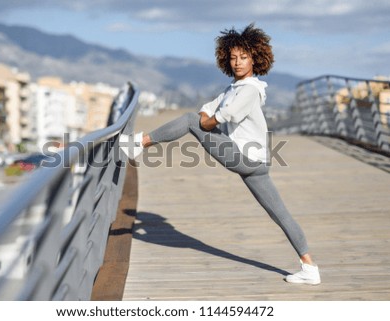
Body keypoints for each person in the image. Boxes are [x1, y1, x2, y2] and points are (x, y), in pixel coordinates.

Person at [120, 23, 321, 285]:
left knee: (190, 120)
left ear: (255, 59)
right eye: (233, 58)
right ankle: (310, 268)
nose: (237, 63)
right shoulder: (232, 89)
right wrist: (209, 117)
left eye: (244, 57)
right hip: (257, 162)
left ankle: (140, 143)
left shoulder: (249, 89)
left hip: (244, 156)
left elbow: (223, 115)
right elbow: (209, 108)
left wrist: (208, 120)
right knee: (280, 213)